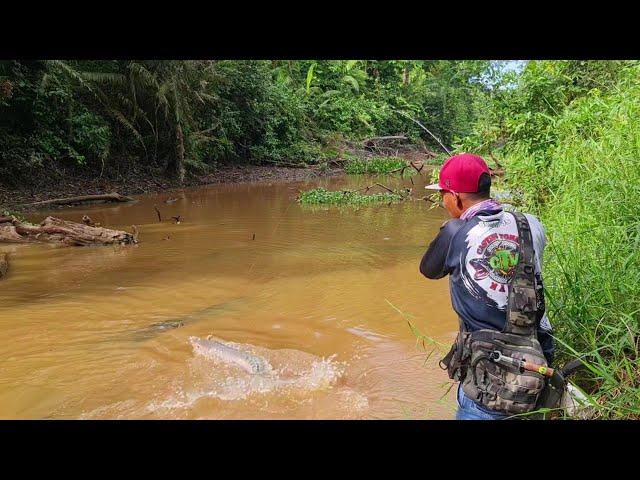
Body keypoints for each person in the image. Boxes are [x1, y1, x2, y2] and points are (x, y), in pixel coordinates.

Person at [419, 153, 554, 420]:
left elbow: (428, 270)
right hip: (539, 350)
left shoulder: (455, 232)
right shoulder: (531, 223)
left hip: (491, 366)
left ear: (455, 197)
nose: (442, 201)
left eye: (443, 194)